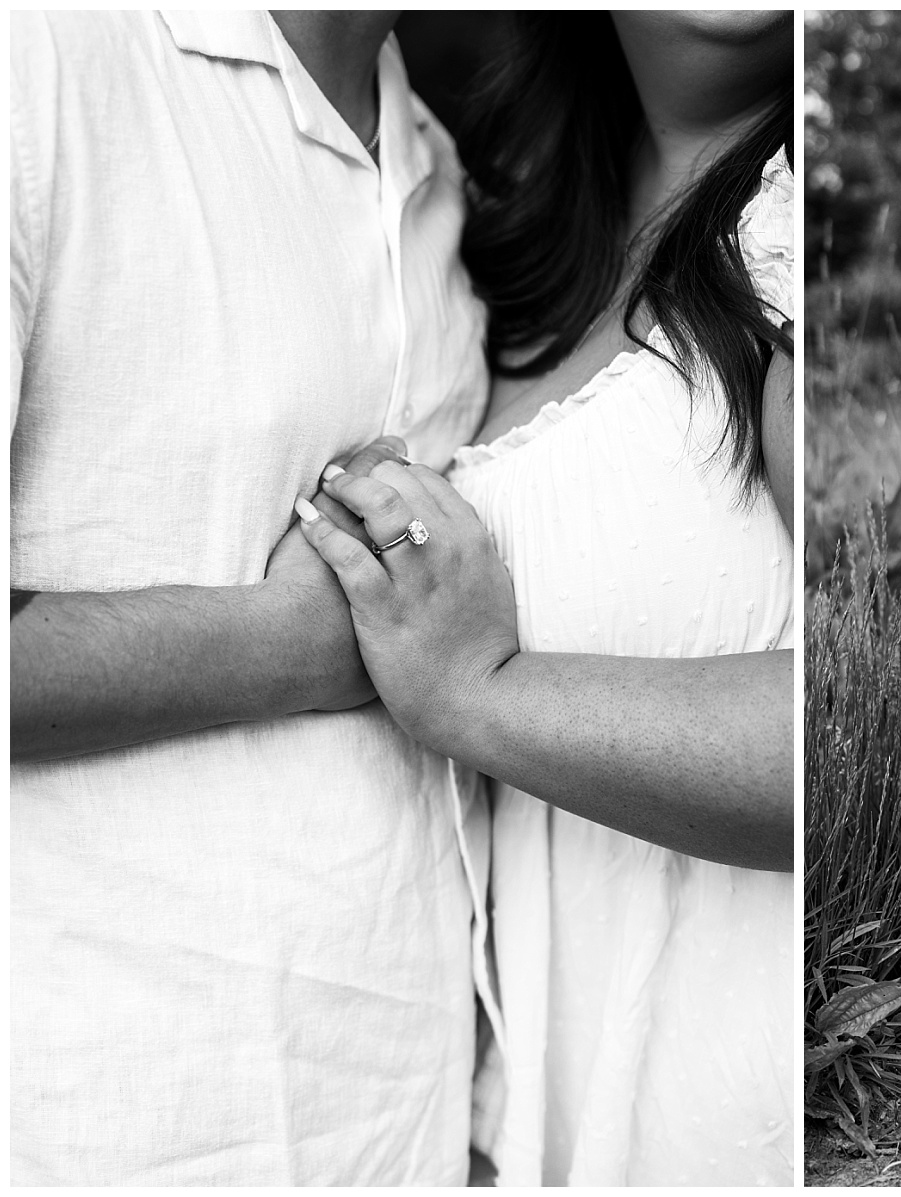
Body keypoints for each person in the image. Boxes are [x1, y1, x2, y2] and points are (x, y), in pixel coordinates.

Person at [297, 11, 794, 1185]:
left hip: (733, 1103)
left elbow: (822, 734)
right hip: (537, 1104)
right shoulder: (491, 230)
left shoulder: (786, 239)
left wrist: (477, 692)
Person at [10, 11, 490, 1183]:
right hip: (106, 1110)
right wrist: (303, 644)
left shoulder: (431, 155)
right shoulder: (45, 56)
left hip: (400, 1113)